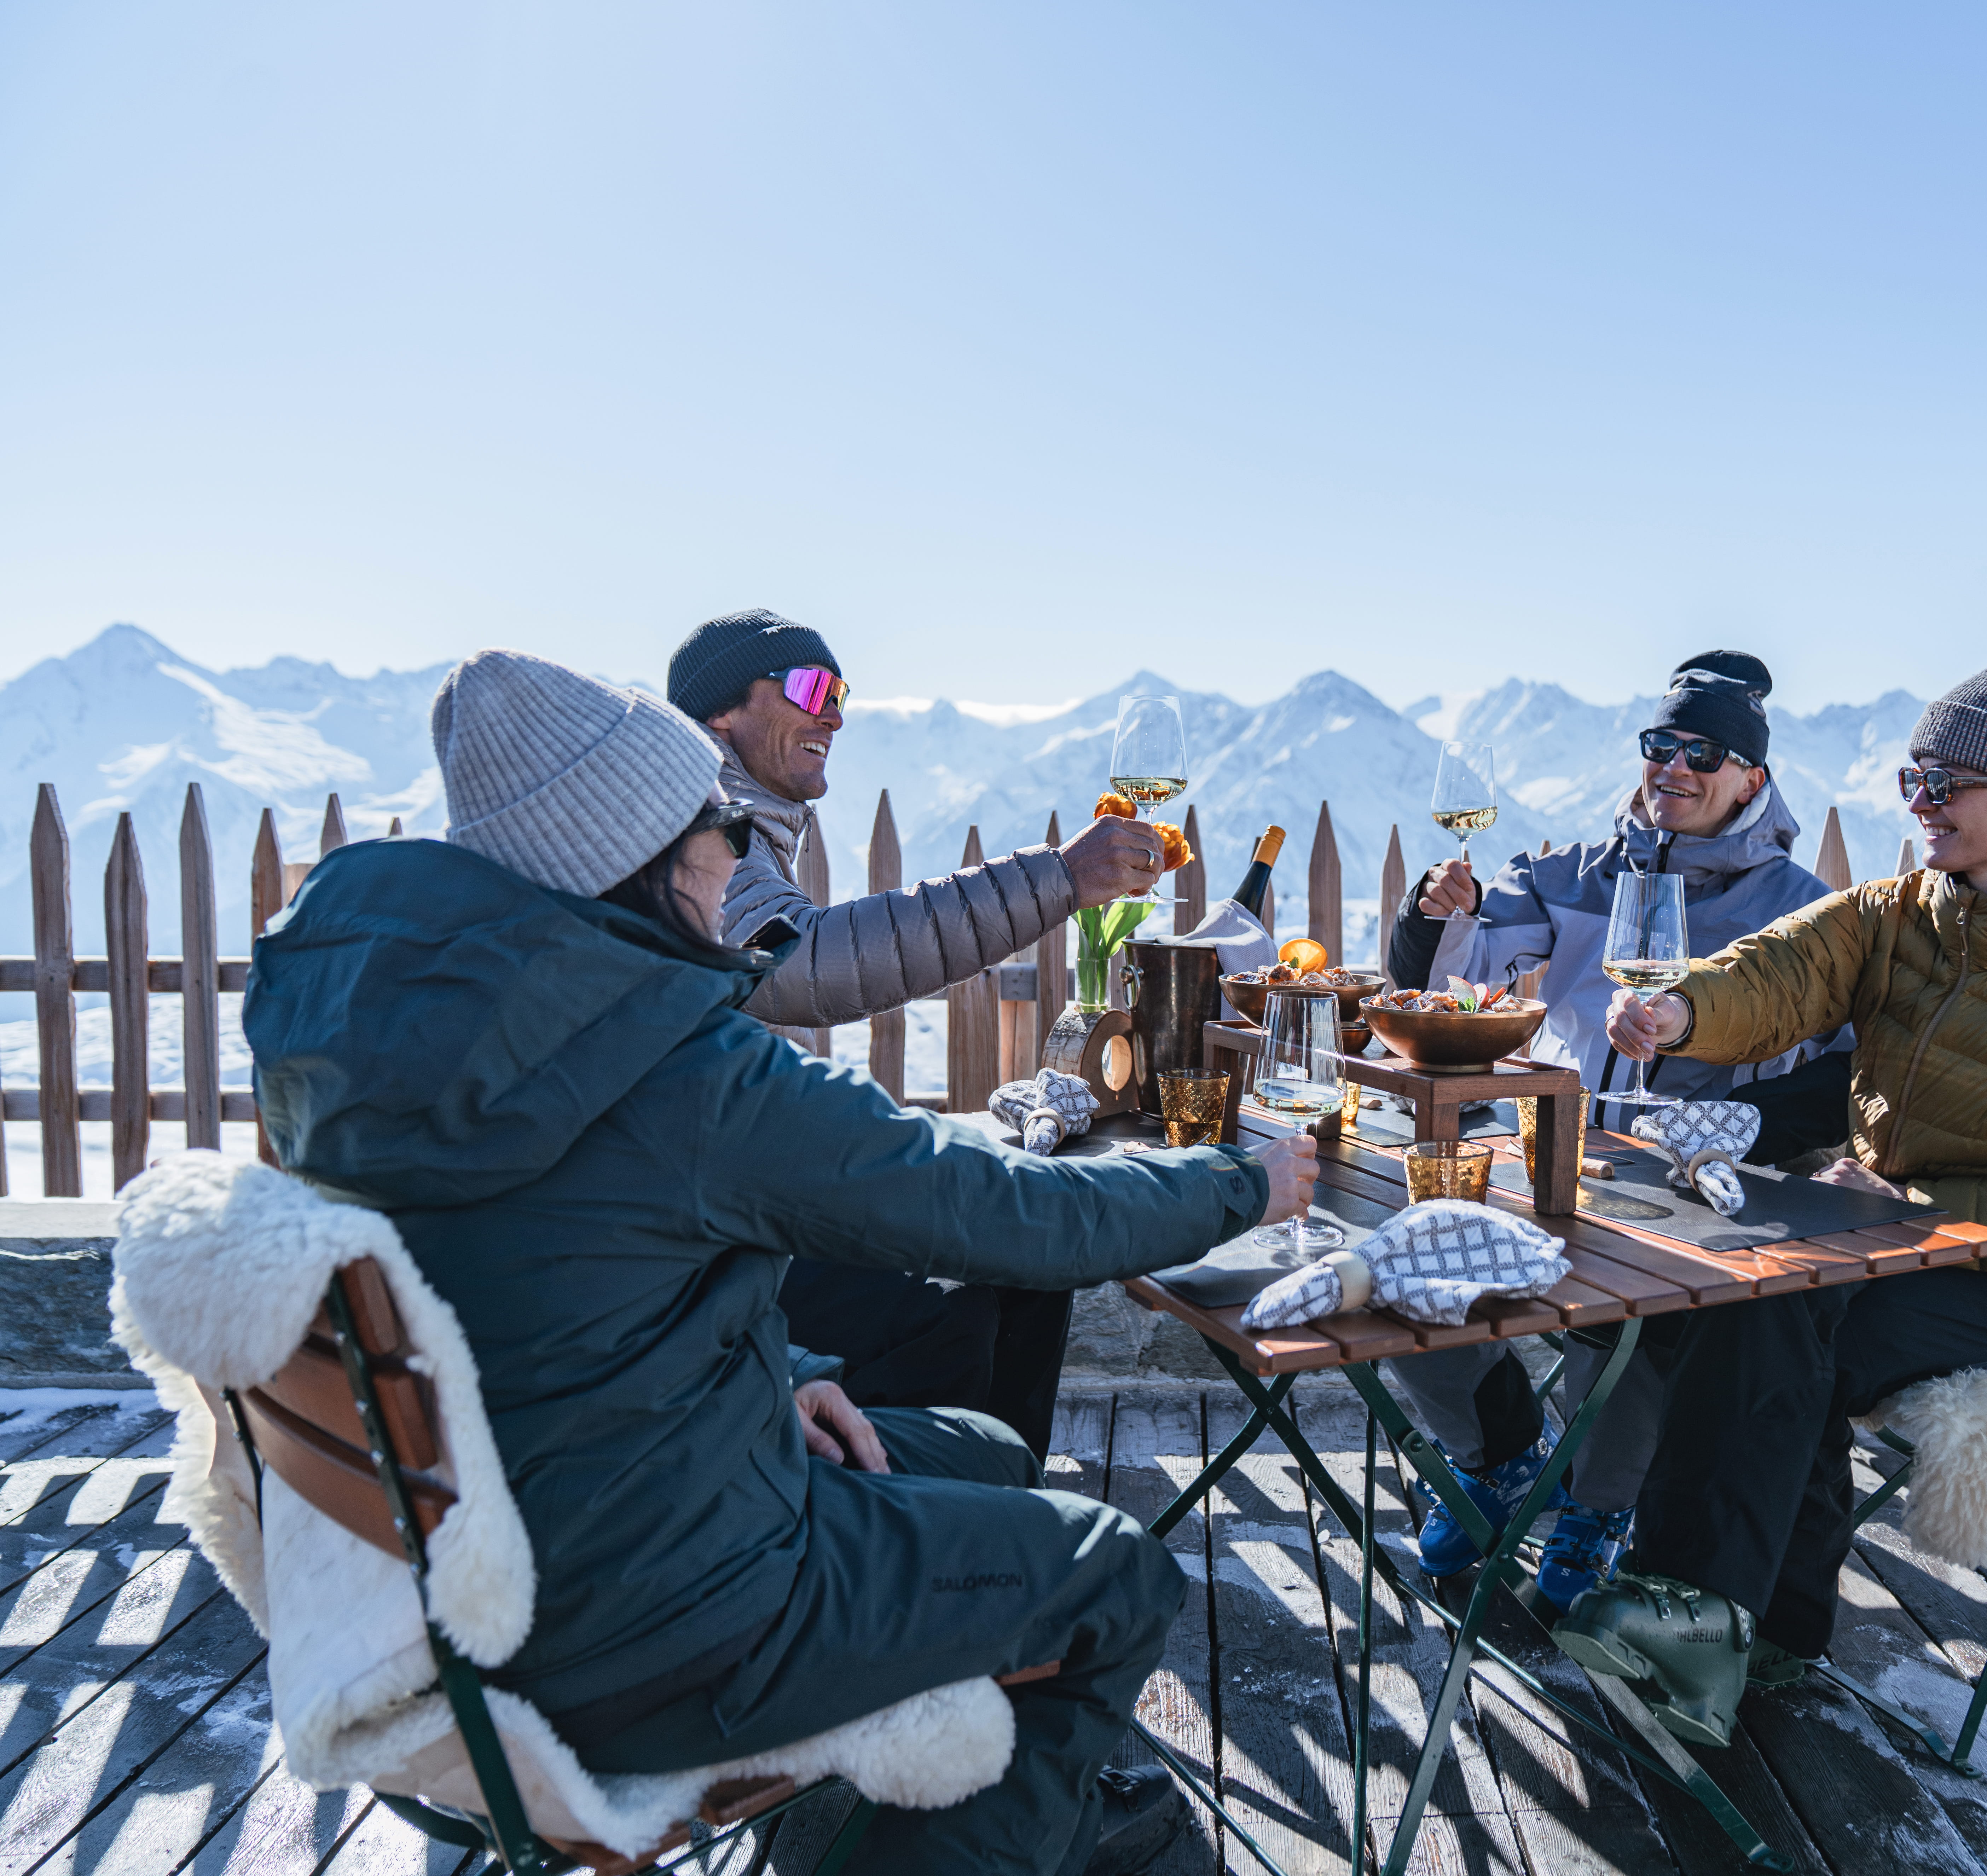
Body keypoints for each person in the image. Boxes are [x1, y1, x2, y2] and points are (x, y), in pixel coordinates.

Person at [245, 649, 1320, 1876]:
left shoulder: (376, 1031)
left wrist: (787, 1370)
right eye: (723, 828)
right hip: (652, 1624)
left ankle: (964, 1809)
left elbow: (544, 1267)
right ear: (645, 856)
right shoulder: (669, 1059)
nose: (745, 858)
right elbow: (992, 1209)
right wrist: (1242, 1182)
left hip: (484, 1567)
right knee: (1114, 1573)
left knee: (988, 1450)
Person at [1552, 645, 1987, 1752]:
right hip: (1889, 1240)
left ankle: (1695, 1611)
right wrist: (1684, 1012)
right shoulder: (1901, 915)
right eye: (1913, 779)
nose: (1920, 802)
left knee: (1781, 1313)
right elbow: (1780, 972)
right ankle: (1767, 1629)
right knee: (1761, 1307)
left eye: (1944, 783)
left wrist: (1911, 1201)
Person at [1377, 652, 1842, 1607]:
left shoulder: (1800, 911)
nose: (1674, 767)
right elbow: (1448, 980)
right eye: (1661, 744)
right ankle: (1500, 1455)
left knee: (1629, 1303)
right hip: (1555, 1152)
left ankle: (1598, 1506)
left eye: (1703, 754)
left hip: (1693, 1180)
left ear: (1751, 778)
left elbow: (1846, 1065)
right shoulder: (1571, 876)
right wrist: (1434, 910)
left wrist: (1745, 1125)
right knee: (1408, 1259)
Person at [666, 608, 1168, 1462]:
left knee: (1026, 1262)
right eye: (811, 688)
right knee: (947, 1310)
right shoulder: (697, 824)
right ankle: (914, 1512)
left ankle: (1006, 1505)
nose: (834, 714)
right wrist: (1057, 878)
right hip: (702, 1243)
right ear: (720, 711)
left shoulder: (741, 823)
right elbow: (798, 961)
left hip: (742, 1197)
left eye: (842, 693)